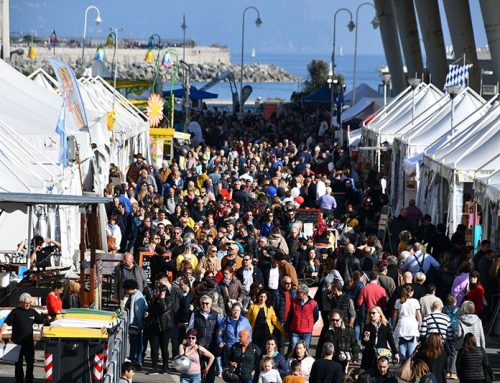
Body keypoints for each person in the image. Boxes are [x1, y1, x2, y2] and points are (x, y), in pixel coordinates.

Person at [0, 293, 44, 383]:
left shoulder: (32, 311)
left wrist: (47, 319)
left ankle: (29, 379)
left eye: (29, 303)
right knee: (18, 364)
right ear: (21, 302)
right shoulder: (15, 312)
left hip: (29, 343)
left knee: (30, 363)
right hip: (16, 343)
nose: (28, 304)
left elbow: (41, 320)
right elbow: (6, 322)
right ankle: (19, 380)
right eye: (25, 303)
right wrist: (0, 333)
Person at [146, 275, 183, 375]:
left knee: (164, 348)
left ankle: (165, 367)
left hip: (165, 326)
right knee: (154, 347)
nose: (156, 293)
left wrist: (162, 298)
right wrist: (148, 313)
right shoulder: (154, 299)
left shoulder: (169, 299)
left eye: (158, 291)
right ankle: (154, 367)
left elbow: (164, 309)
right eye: (156, 291)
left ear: (163, 292)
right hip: (154, 326)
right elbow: (150, 309)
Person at [187, 295, 222, 383]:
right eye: (203, 303)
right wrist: (191, 340)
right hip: (199, 346)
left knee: (211, 369)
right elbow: (189, 329)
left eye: (207, 303)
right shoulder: (195, 314)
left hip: (212, 345)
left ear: (210, 304)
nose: (205, 305)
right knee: (199, 368)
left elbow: (221, 328)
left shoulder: (216, 315)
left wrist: (221, 340)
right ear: (200, 303)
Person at [361, 306, 399, 371]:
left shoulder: (385, 326)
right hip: (370, 354)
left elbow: (391, 340)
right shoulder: (367, 326)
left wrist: (396, 353)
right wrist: (366, 338)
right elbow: (363, 343)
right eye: (370, 313)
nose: (371, 315)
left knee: (381, 372)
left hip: (382, 353)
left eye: (373, 313)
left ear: (379, 314)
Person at [393, 285, 422, 361]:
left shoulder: (398, 301)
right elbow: (418, 314)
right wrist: (420, 325)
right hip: (412, 324)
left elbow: (395, 315)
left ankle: (403, 361)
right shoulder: (415, 301)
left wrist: (393, 325)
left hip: (402, 323)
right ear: (411, 292)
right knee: (411, 345)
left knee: (401, 344)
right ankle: (408, 363)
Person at [124, 279, 148, 371]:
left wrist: (140, 324)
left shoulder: (136, 297)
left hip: (136, 325)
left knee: (135, 344)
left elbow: (138, 312)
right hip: (137, 325)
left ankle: (134, 362)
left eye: (126, 289)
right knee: (137, 344)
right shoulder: (137, 295)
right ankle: (136, 361)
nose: (126, 291)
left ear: (130, 289)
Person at [286, 284, 319, 349]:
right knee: (294, 349)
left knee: (305, 350)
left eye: (298, 292)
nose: (296, 294)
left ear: (304, 293)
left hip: (307, 332)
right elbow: (290, 316)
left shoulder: (313, 303)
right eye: (297, 292)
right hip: (295, 331)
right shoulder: (294, 302)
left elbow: (316, 316)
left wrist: (309, 324)